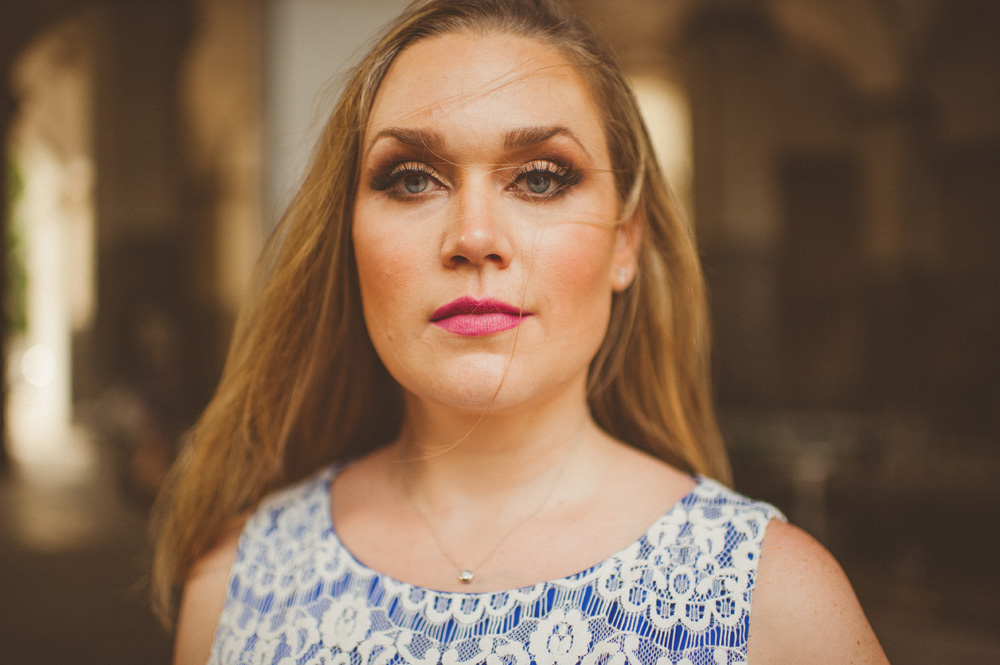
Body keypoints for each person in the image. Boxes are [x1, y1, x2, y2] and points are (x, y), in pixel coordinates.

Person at [154, 1, 890, 663]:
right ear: (347, 234)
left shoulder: (778, 605)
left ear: (624, 243)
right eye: (411, 178)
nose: (474, 236)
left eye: (540, 177)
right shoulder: (234, 582)